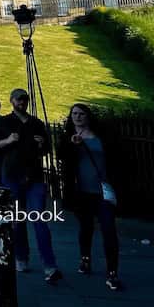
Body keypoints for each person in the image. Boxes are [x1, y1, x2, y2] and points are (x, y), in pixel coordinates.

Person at [0, 88, 62, 284]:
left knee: (39, 220)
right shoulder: (4, 122)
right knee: (18, 221)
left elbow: (47, 148)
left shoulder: (36, 123)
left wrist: (42, 144)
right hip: (12, 176)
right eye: (19, 100)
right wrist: (8, 140)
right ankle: (21, 257)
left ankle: (50, 265)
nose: (22, 102)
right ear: (11, 101)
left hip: (34, 177)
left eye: (25, 100)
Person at [57, 103, 122, 291]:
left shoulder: (101, 137)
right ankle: (85, 259)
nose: (77, 117)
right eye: (74, 114)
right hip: (82, 192)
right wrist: (72, 144)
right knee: (86, 228)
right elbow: (61, 156)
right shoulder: (68, 137)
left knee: (109, 230)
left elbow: (116, 159)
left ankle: (112, 272)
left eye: (81, 114)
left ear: (88, 116)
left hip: (103, 191)